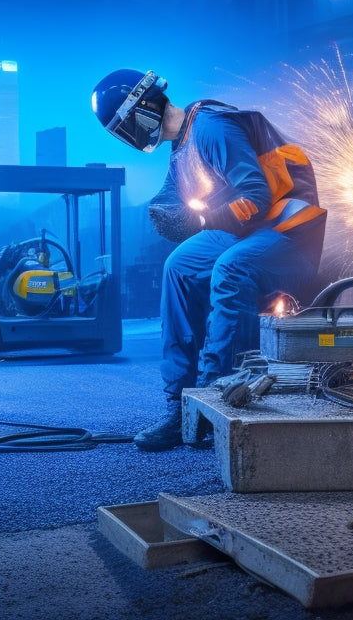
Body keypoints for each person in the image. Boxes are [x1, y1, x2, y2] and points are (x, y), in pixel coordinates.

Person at [91, 68, 326, 451]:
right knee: (177, 267)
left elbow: (256, 196)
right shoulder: (181, 148)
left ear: (142, 109)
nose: (128, 138)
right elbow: (172, 196)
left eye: (124, 127)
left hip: (288, 228)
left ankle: (214, 398)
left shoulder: (211, 127)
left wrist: (199, 219)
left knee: (230, 268)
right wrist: (164, 211)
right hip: (249, 230)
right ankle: (179, 404)